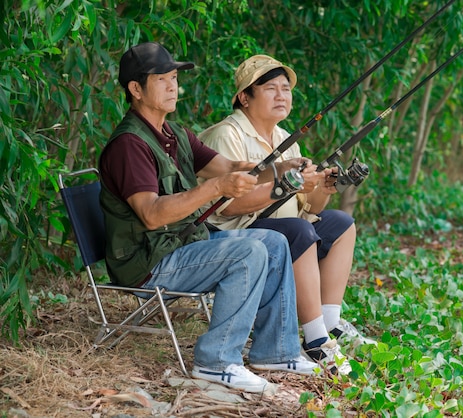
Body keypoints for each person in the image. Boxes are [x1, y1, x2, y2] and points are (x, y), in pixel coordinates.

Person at [98, 42, 318, 393]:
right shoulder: (129, 146)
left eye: (174, 78)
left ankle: (276, 351)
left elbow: (230, 166)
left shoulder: (175, 134)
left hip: (180, 246)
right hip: (149, 262)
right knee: (248, 252)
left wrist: (280, 168)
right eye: (162, 79)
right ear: (135, 89)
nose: (173, 87)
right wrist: (216, 188)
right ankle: (216, 361)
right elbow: (152, 215)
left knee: (274, 242)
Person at [197, 54, 374, 375]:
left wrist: (325, 187)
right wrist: (287, 183)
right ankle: (316, 340)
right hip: (233, 237)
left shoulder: (284, 139)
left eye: (286, 89)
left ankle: (331, 323)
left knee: (341, 223)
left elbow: (311, 209)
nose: (281, 96)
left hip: (284, 229)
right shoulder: (226, 135)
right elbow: (228, 205)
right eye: (270, 88)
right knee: (298, 232)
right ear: (244, 97)